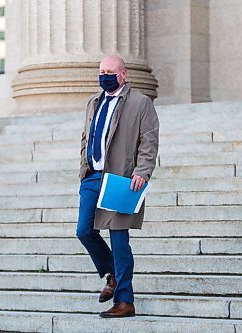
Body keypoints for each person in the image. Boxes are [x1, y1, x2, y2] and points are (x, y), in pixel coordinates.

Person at [77, 55, 159, 318]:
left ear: (123, 74)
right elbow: (87, 136)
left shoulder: (140, 102)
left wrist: (143, 171)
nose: (104, 76)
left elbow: (149, 140)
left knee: (119, 239)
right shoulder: (94, 101)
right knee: (84, 231)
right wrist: (84, 164)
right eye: (101, 71)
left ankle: (125, 301)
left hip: (121, 178)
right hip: (92, 177)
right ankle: (112, 274)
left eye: (109, 71)